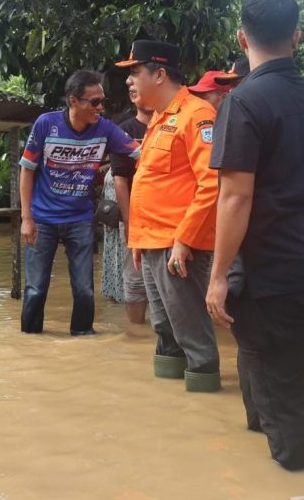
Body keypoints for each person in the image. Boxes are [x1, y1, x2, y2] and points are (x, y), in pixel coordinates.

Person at [206, 0, 304, 470]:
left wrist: (219, 275)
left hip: (273, 275)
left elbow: (236, 197)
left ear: (242, 39)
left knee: (282, 401)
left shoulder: (242, 103)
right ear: (297, 38)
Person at [114, 41, 221, 392]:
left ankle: (205, 400)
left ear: (159, 74)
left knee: (191, 331)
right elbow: (153, 183)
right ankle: (172, 410)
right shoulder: (159, 118)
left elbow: (211, 183)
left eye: (135, 72)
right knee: (164, 330)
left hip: (179, 246)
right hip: (152, 243)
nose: (130, 81)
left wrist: (184, 239)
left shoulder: (198, 114)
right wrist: (138, 241)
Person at [20, 70, 138, 335]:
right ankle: (29, 342)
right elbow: (27, 170)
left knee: (85, 289)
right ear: (74, 101)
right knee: (36, 288)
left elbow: (142, 153)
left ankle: (83, 337)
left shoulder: (105, 129)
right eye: (94, 102)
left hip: (80, 219)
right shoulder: (45, 124)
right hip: (42, 220)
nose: (101, 108)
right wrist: (26, 219)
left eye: (102, 101)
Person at [101, 92, 153, 323]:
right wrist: (130, 222)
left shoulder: (173, 124)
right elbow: (120, 179)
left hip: (169, 216)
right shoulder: (125, 131)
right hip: (136, 215)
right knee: (135, 279)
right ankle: (136, 333)